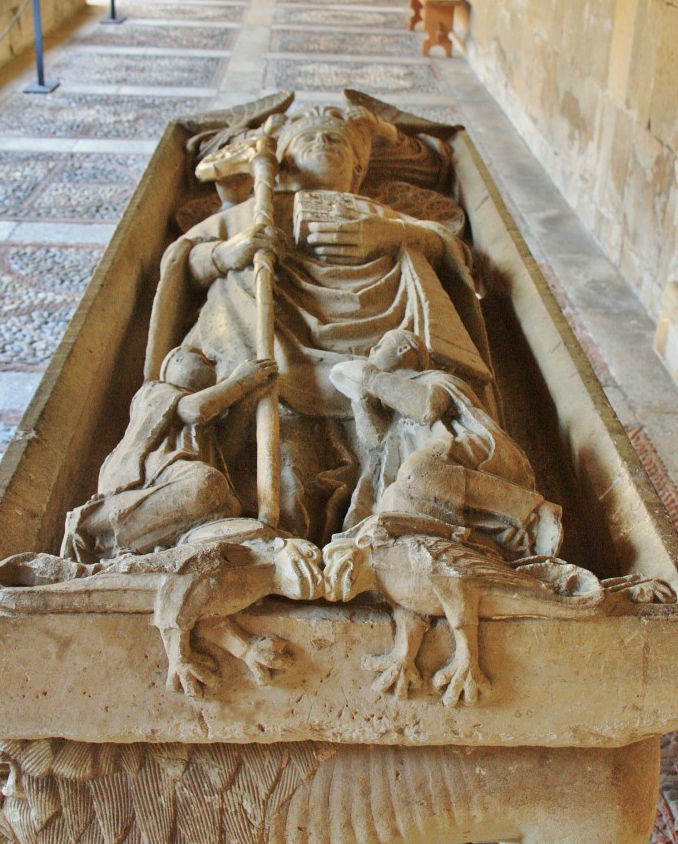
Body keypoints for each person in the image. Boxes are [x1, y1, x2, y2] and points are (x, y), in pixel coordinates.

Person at [144, 104, 499, 545]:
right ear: (285, 166)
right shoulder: (258, 210)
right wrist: (229, 253)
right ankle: (270, 539)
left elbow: (452, 252)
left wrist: (390, 234)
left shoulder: (380, 213)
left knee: (385, 427)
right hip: (275, 337)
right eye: (308, 140)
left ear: (357, 169)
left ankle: (390, 526)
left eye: (335, 141)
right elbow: (185, 260)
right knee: (288, 455)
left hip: (377, 333)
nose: (322, 145)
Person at [330, 329, 562, 557]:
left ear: (403, 349)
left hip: (470, 453)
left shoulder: (434, 379)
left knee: (418, 472)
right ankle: (492, 549)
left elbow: (427, 407)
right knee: (393, 503)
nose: (372, 351)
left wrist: (370, 377)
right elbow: (376, 443)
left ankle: (532, 515)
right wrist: (360, 398)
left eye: (380, 346)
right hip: (430, 481)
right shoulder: (390, 406)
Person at [61, 345, 276, 561]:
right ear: (175, 362)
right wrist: (239, 382)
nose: (211, 363)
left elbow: (228, 450)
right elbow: (194, 410)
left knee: (229, 503)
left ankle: (170, 545)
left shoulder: (209, 421)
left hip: (183, 483)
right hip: (150, 478)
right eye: (199, 358)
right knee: (207, 483)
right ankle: (96, 532)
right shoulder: (156, 390)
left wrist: (251, 398)